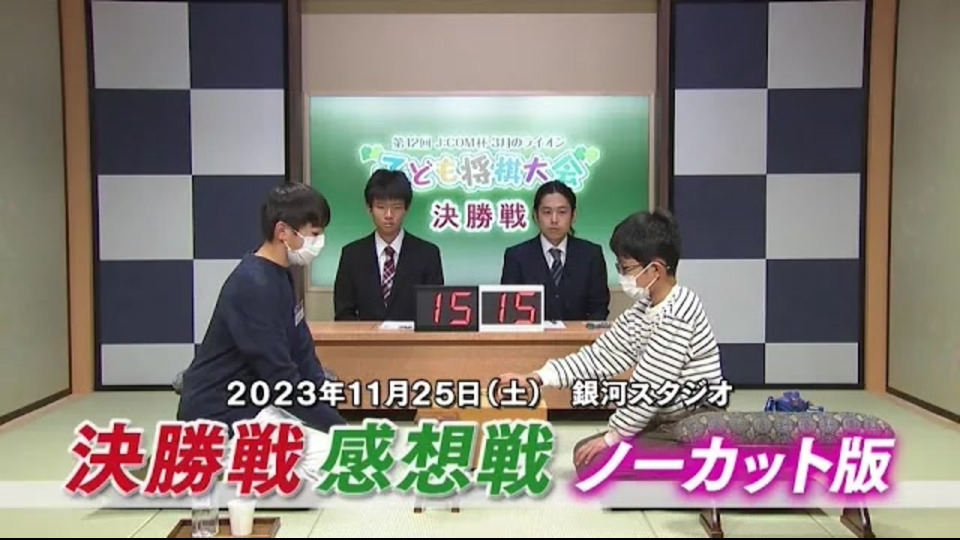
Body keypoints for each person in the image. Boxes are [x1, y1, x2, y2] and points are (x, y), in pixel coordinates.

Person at [499, 209, 724, 472]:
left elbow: (651, 385)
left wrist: (613, 436)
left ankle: (704, 462)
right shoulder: (642, 310)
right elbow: (597, 358)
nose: (621, 275)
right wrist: (537, 378)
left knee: (597, 460)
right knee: (587, 452)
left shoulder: (679, 311)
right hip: (663, 419)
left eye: (626, 268)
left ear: (656, 269)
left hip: (694, 423)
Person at [176, 182, 346, 481]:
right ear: (283, 231)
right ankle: (218, 475)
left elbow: (302, 350)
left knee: (335, 453)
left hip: (253, 404)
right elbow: (281, 378)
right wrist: (340, 430)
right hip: (219, 415)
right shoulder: (253, 284)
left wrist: (326, 403)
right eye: (314, 234)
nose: (319, 243)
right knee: (336, 458)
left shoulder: (281, 275)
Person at [333, 169, 445, 321]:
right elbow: (343, 313)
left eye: (396, 207)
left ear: (407, 209)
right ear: (369, 209)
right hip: (365, 336)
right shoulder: (352, 255)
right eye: (381, 207)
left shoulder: (427, 254)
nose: (389, 215)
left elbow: (433, 313)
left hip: (411, 336)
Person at [499, 181, 610, 321]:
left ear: (573, 215)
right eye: (547, 212)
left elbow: (599, 309)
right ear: (535, 216)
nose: (554, 220)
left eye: (562, 212)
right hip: (532, 334)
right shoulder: (516, 256)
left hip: (580, 334)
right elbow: (510, 310)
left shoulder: (591, 255)